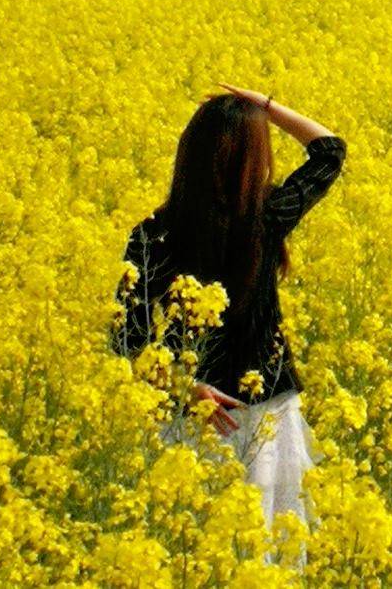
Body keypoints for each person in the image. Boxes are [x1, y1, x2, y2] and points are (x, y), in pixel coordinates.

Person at [112, 86, 347, 533]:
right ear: (254, 159)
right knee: (263, 551)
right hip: (266, 415)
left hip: (197, 417)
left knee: (195, 551)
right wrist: (267, 107)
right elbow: (329, 151)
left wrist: (185, 388)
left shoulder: (152, 235)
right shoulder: (266, 217)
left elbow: (127, 339)